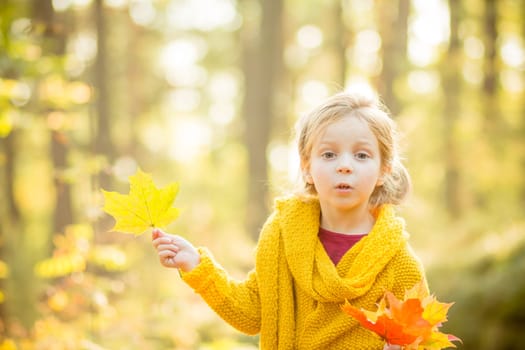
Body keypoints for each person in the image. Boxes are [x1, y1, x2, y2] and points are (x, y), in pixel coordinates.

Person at [152, 91, 427, 349]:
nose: (345, 165)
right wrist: (196, 266)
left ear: (383, 170)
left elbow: (421, 338)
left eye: (361, 155)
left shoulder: (399, 265)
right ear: (307, 167)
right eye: (329, 154)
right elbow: (251, 314)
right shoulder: (282, 234)